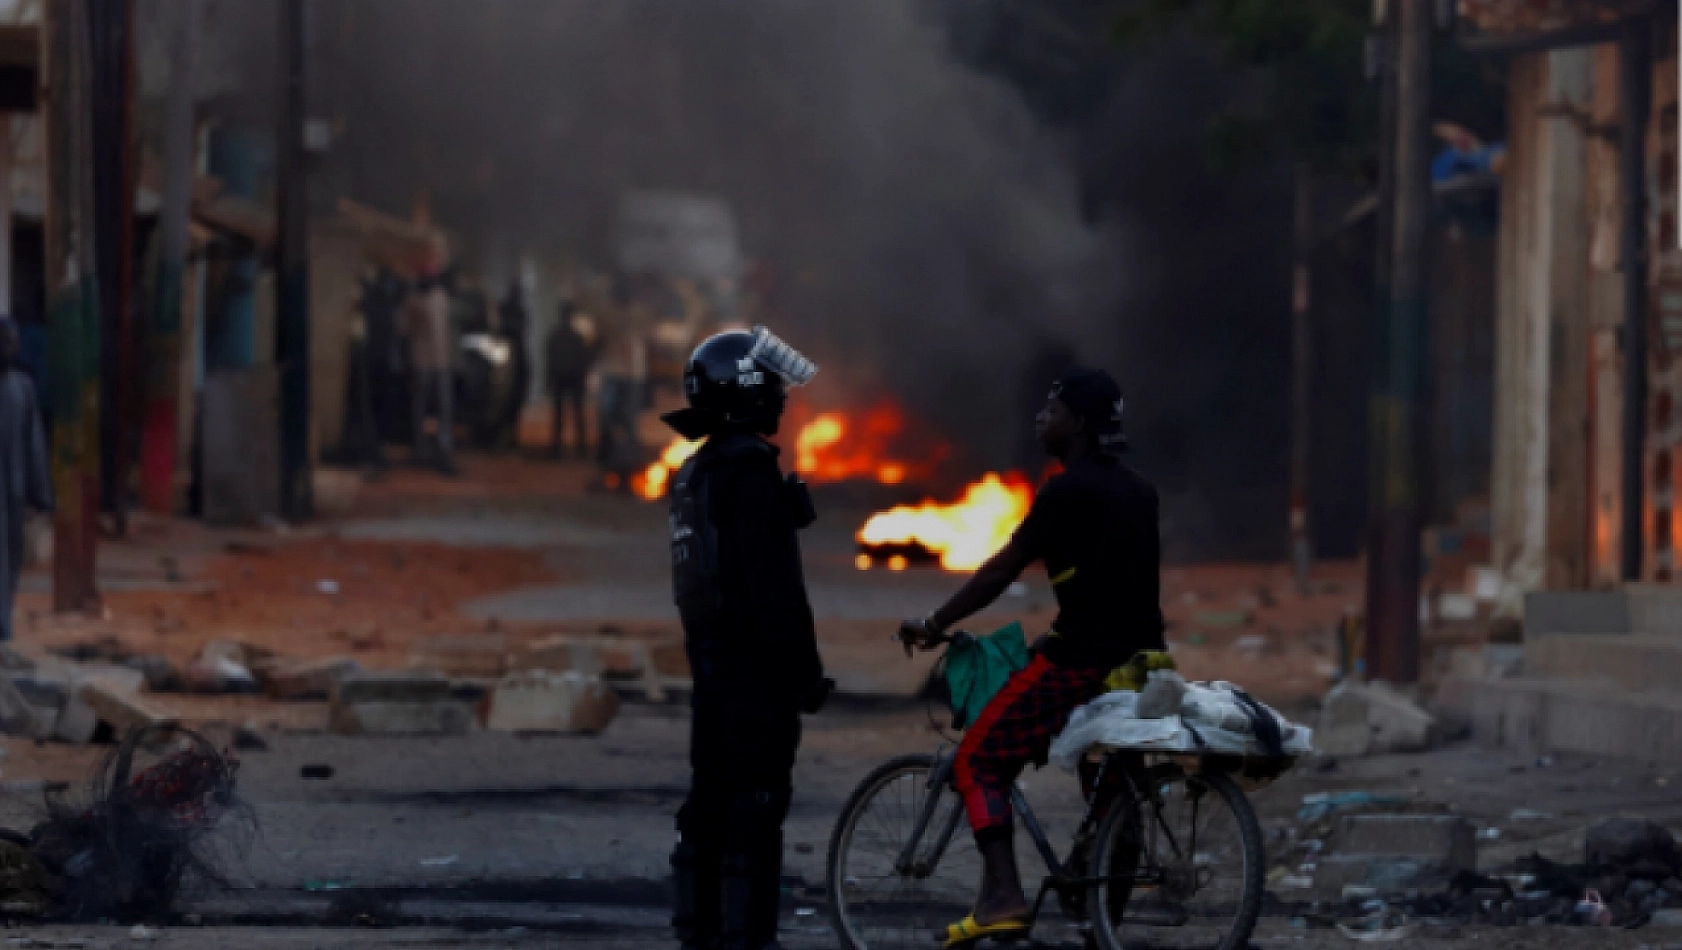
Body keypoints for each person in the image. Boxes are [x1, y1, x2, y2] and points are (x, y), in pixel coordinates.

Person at [898, 367, 1164, 948]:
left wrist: (936, 623)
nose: (1042, 415)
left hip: (1080, 665)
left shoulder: (1067, 491)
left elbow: (1001, 569)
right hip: (1142, 666)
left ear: (1082, 423)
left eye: (1054, 407)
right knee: (1113, 792)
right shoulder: (1141, 490)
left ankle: (1002, 899)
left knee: (977, 761)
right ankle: (1100, 924)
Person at [664, 326, 833, 950]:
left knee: (708, 798)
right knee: (758, 805)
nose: (784, 399)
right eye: (773, 386)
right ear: (747, 390)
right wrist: (805, 673)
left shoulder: (695, 475)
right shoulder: (752, 473)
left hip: (710, 669)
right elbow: (776, 593)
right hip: (756, 675)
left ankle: (697, 932)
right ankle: (748, 937)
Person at [0, 318, 53, 641]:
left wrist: (41, 495)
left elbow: (35, 444)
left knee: (11, 561)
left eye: (13, 342)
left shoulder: (22, 388)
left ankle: (3, 626)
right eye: (6, 342)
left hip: (13, 495)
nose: (12, 348)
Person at [404, 271, 457, 476]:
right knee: (421, 407)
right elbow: (406, 329)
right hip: (423, 361)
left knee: (442, 408)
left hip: (439, 361)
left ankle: (442, 449)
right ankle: (421, 447)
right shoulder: (414, 301)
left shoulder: (440, 298)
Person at [594, 290, 648, 489]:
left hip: (629, 373)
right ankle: (612, 466)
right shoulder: (613, 315)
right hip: (618, 372)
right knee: (612, 420)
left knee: (627, 423)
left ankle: (626, 470)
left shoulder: (637, 315)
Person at [545, 301, 595, 458]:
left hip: (561, 377)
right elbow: (584, 359)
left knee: (559, 414)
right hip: (575, 378)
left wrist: (549, 379)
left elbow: (550, 360)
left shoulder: (555, 335)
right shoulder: (577, 337)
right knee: (577, 414)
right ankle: (580, 450)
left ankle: (557, 450)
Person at [496, 280, 531, 450]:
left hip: (514, 360)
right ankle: (504, 438)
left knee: (512, 403)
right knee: (506, 402)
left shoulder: (514, 311)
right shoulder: (510, 311)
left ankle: (508, 437)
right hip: (508, 359)